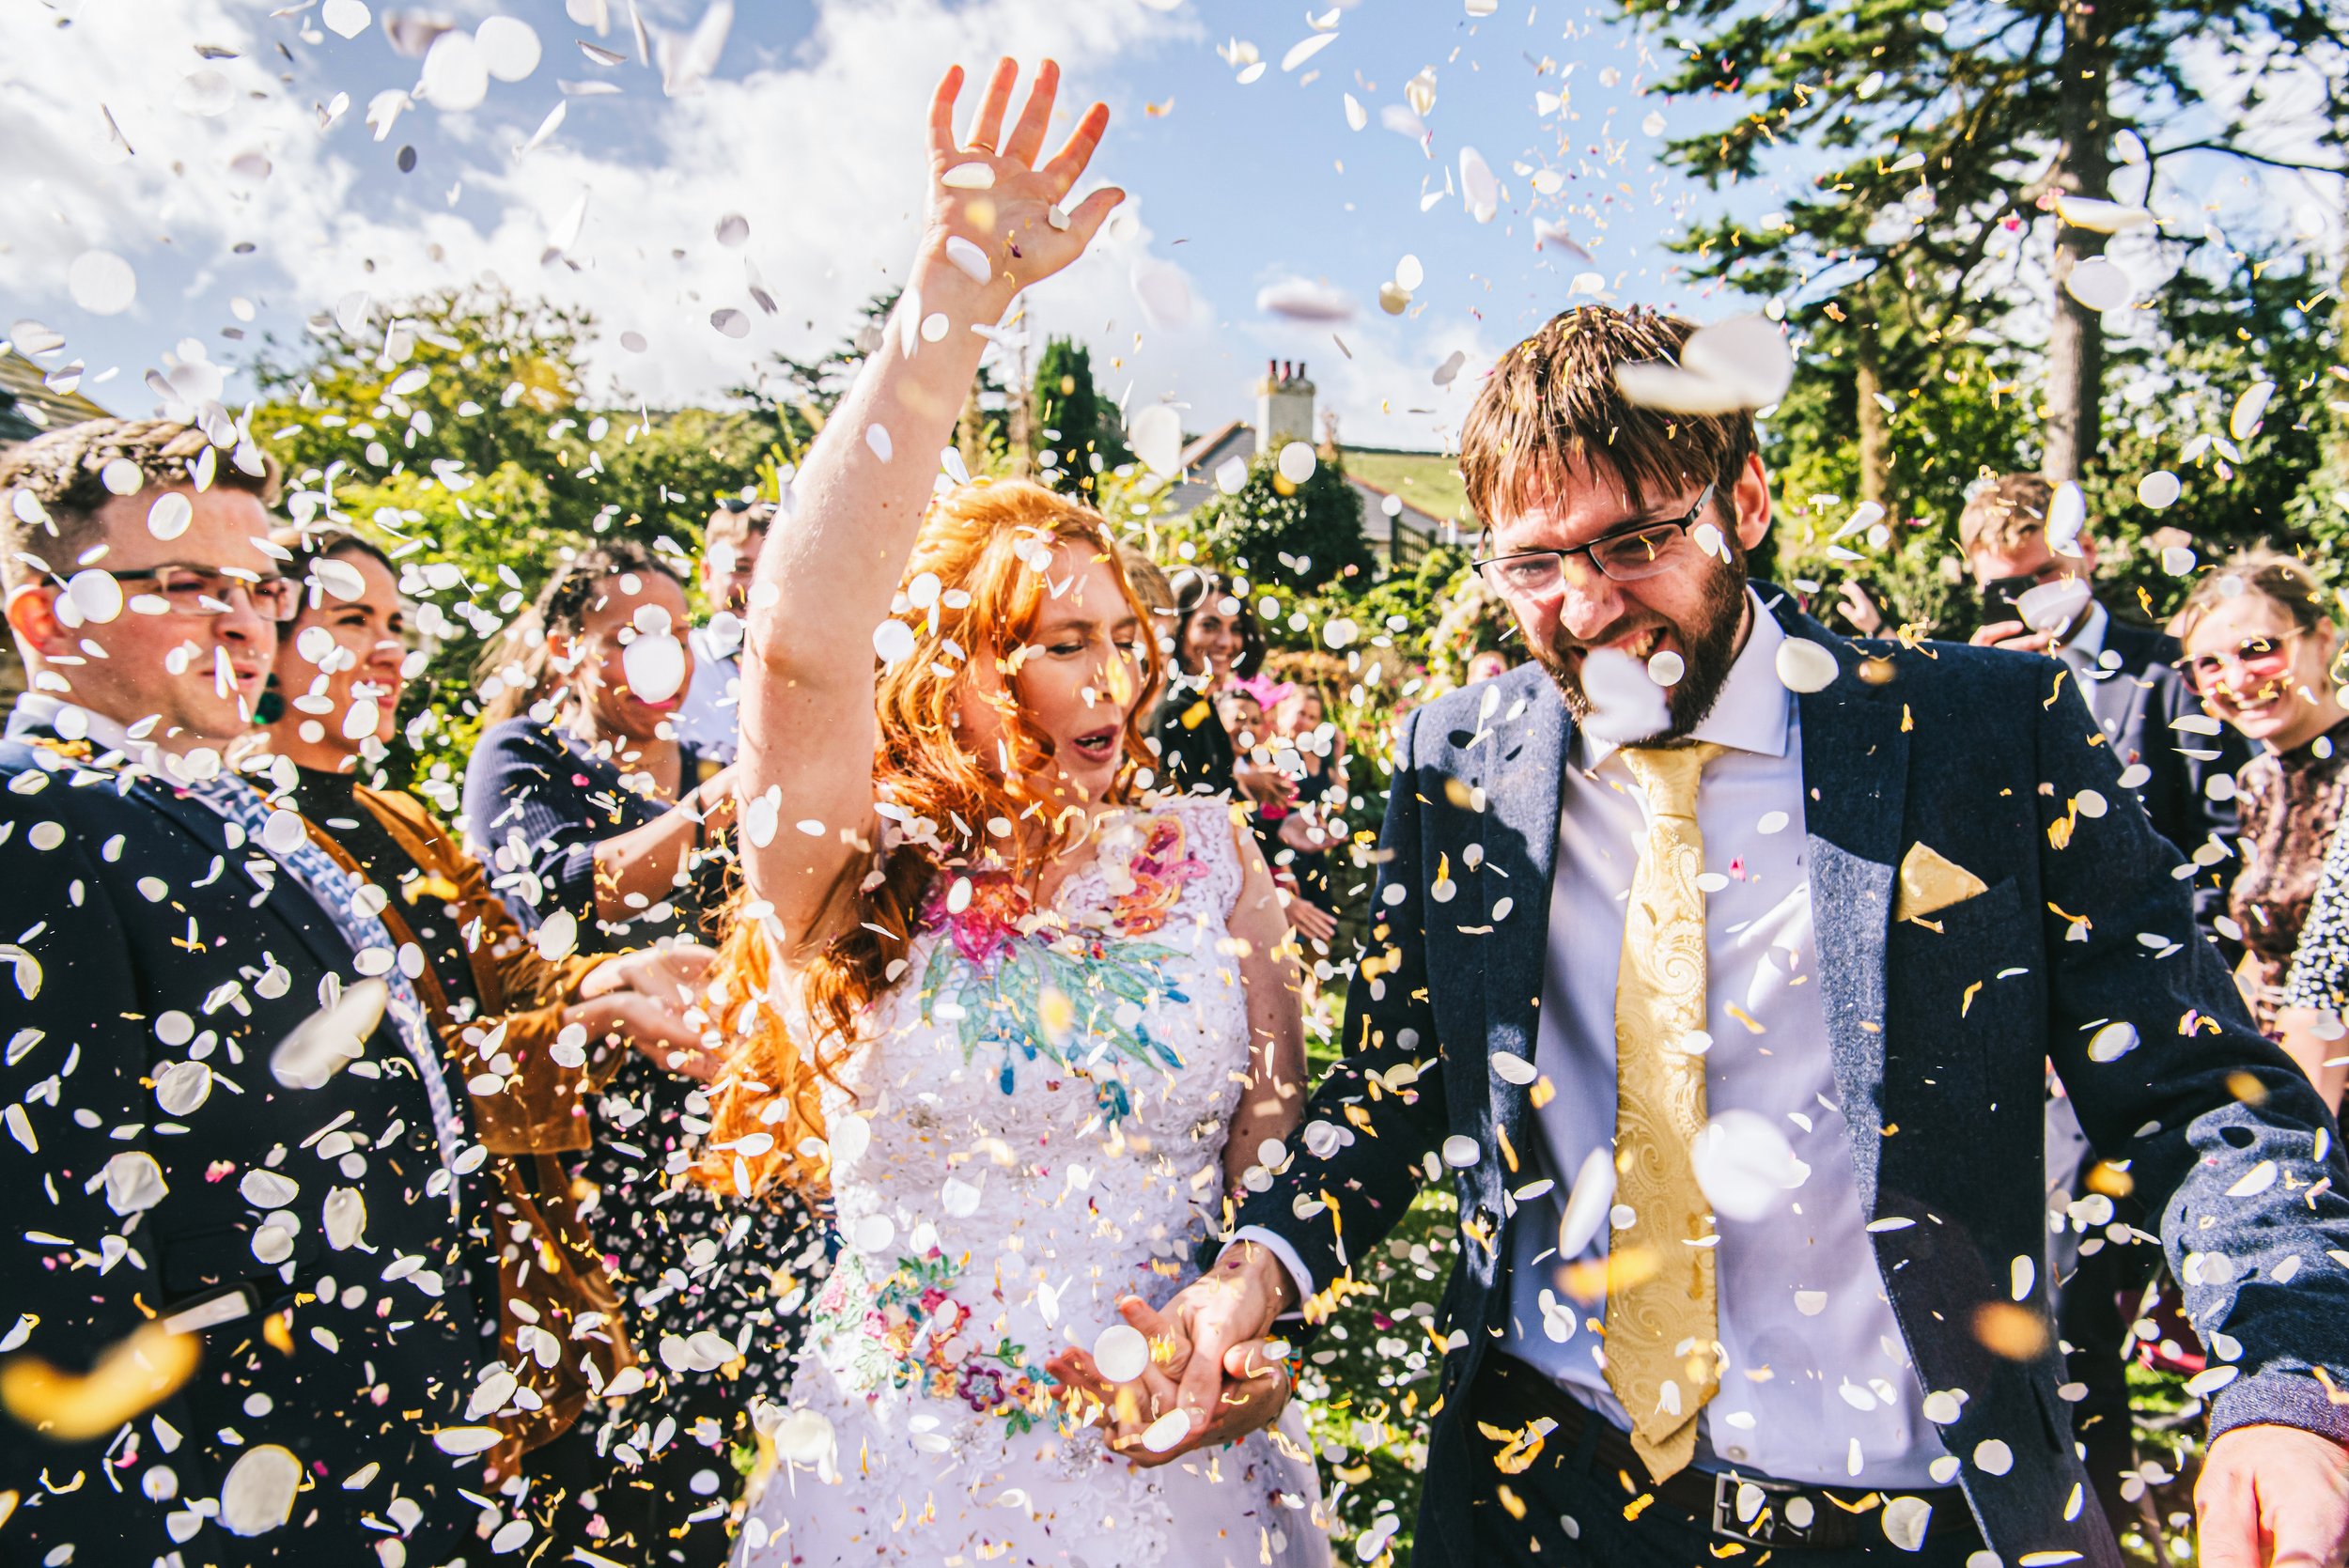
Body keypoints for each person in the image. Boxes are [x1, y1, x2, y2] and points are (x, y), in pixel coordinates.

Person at [1105, 305, 2349, 1568]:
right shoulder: (1458, 762)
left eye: (1636, 540)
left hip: (1907, 1517)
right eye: (1534, 563)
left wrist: (2291, 1389)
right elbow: (1398, 1083)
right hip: (1546, 1493)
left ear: (1744, 501)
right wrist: (1254, 1270)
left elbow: (2204, 1095)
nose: (1588, 607)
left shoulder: (1988, 731)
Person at [707, 58, 1324, 1566]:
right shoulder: (853, 882)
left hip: (1180, 1476)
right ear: (949, 668)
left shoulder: (1206, 856)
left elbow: (1279, 1145)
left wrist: (1252, 1317)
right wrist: (955, 295)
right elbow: (799, 640)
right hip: (901, 1479)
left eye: (1124, 635)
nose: (1112, 673)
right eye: (1059, 639)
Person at [0, 420, 488, 1562]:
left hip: (367, 1443)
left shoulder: (221, 798)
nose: (241, 620)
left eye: (260, 586)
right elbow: (49, 1265)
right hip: (231, 1496)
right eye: (180, 581)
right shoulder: (38, 821)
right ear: (40, 616)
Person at [256, 524, 723, 1558]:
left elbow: (511, 972)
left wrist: (622, 970)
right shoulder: (256, 834)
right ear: (258, 637)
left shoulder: (395, 816)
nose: (385, 652)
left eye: (391, 624)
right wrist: (592, 1023)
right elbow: (385, 1079)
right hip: (391, 1286)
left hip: (516, 1268)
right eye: (347, 622)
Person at [463, 542, 813, 1565]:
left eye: (672, 634)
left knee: (726, 1411)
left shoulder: (715, 778)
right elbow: (559, 900)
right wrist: (729, 801)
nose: (659, 660)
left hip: (727, 1143)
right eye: (630, 636)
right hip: (597, 1144)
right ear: (569, 648)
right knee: (617, 1428)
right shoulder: (523, 758)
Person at [1963, 473, 2249, 932]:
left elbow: (2222, 835)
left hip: (2159, 958)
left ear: (2087, 551)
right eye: (2009, 588)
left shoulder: (2171, 672)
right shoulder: (1970, 689)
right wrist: (1971, 703)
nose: (2035, 597)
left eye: (2046, 574)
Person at [2179, 549, 2349, 1034]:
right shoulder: (2257, 780)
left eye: (2259, 649)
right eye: (2208, 665)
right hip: (2282, 1069)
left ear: (2320, 640)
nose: (2236, 679)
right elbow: (2267, 952)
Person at [675, 497, 779, 767]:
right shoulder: (680, 659)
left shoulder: (805, 665)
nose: (757, 586)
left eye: (772, 570)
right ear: (707, 574)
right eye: (741, 569)